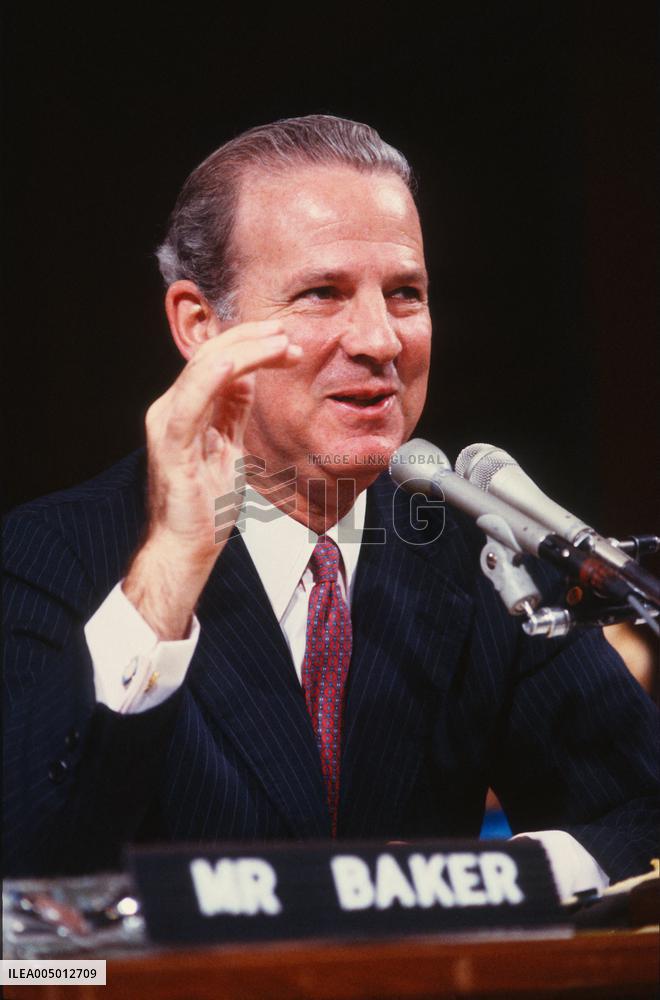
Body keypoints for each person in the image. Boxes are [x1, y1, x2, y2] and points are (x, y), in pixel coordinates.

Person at [3, 116, 658, 894]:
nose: (381, 340)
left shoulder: (486, 555)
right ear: (200, 323)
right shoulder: (50, 555)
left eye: (405, 294)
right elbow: (30, 883)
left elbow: (640, 818)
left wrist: (467, 882)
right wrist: (171, 569)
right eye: (322, 293)